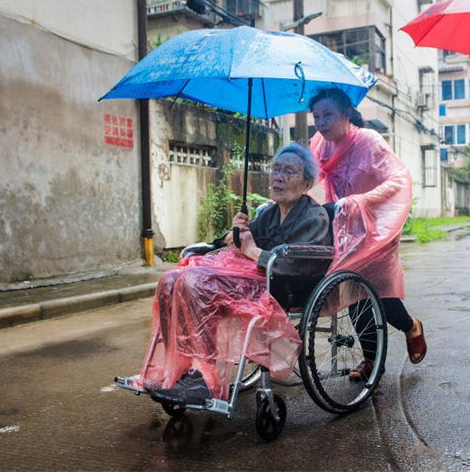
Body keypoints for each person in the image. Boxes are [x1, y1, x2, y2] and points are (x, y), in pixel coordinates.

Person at [136, 143, 332, 404]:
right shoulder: (269, 214)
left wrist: (253, 251)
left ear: (307, 183)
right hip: (257, 279)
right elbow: (240, 243)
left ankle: (205, 379)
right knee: (172, 280)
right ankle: (180, 368)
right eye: (276, 169)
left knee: (196, 283)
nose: (278, 177)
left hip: (286, 288)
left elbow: (297, 267)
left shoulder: (314, 216)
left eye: (288, 171)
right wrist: (235, 234)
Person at [309, 87, 426, 380]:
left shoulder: (369, 141)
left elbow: (397, 180)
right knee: (354, 293)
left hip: (378, 229)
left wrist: (361, 201)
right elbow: (311, 180)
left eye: (328, 115)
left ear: (347, 115)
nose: (321, 123)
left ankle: (411, 326)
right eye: (317, 116)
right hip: (348, 229)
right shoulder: (320, 146)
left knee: (382, 296)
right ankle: (372, 361)